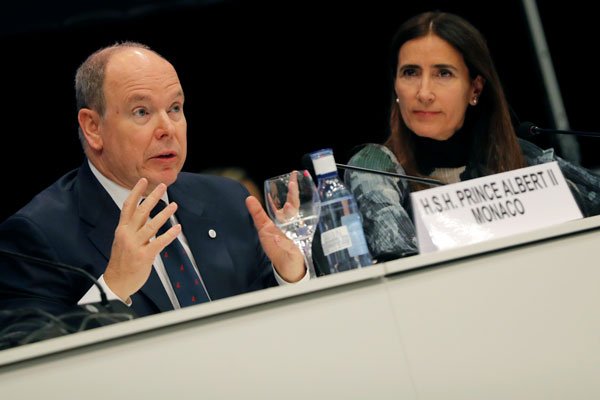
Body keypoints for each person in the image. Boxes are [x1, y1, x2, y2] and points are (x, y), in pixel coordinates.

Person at [0, 42, 307, 318]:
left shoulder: (227, 201)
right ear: (93, 127)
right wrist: (115, 287)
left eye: (175, 108)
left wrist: (291, 275)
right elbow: (31, 357)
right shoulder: (36, 236)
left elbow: (277, 319)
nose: (167, 129)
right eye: (142, 111)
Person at [345, 11, 600, 261]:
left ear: (475, 88)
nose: (423, 93)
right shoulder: (374, 166)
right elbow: (403, 259)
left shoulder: (519, 156)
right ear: (395, 85)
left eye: (443, 73)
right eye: (410, 72)